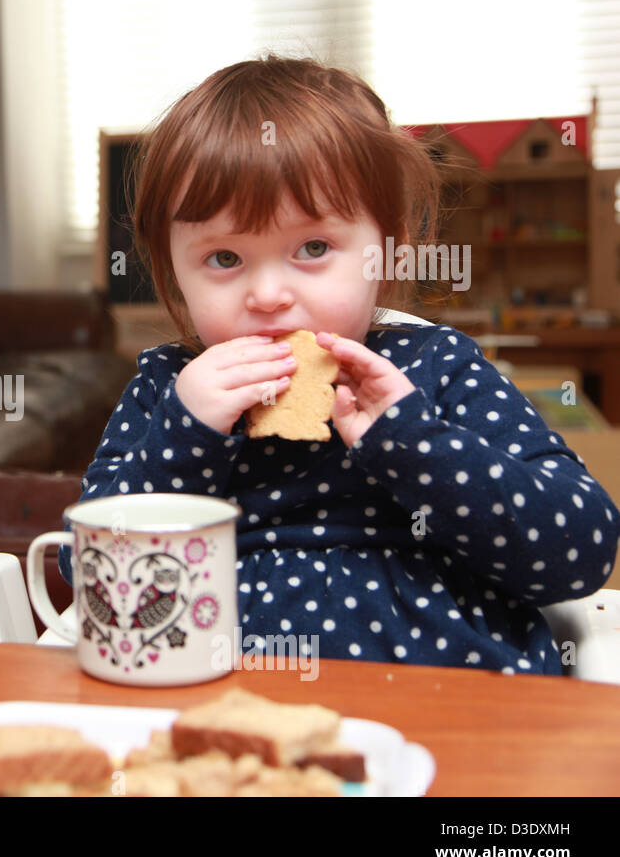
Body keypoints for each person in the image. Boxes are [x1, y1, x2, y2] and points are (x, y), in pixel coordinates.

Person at [62, 56, 618, 674]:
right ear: (173, 272)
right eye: (223, 258)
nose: (268, 294)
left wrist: (413, 442)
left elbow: (581, 548)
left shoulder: (437, 368)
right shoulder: (167, 388)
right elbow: (87, 574)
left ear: (390, 252)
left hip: (452, 703)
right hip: (223, 705)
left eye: (314, 247)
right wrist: (186, 436)